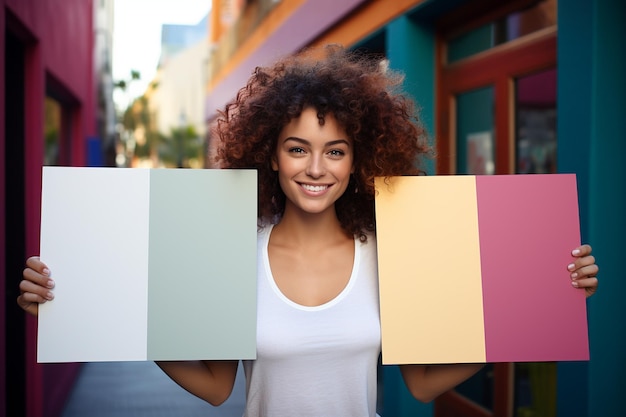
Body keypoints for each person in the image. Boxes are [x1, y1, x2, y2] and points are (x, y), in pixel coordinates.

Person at [17, 45, 599, 416]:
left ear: (357, 160)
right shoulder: (231, 249)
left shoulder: (389, 250)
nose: (316, 169)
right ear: (271, 155)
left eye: (335, 151)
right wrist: (114, 318)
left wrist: (539, 306)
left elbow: (421, 385)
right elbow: (219, 386)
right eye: (298, 149)